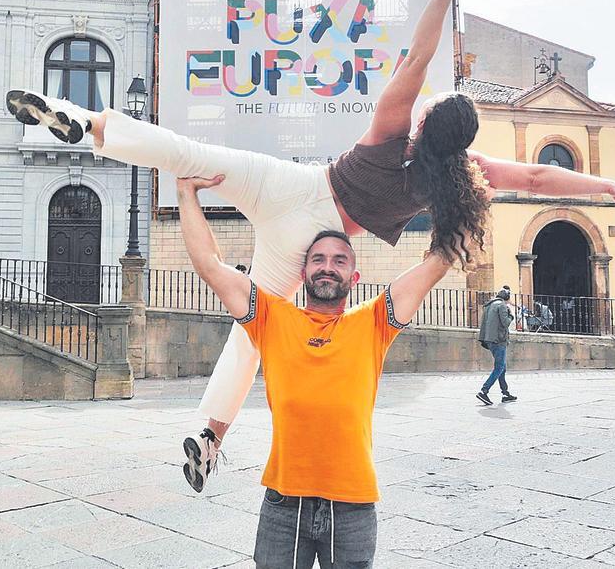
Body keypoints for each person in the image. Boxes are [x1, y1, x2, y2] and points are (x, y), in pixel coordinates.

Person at [6, 0, 615, 492]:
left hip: (289, 186)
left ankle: (86, 122)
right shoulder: (458, 178)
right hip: (307, 237)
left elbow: (421, 51)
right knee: (251, 330)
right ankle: (209, 436)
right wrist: (611, 187)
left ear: (425, 120)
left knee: (187, 151)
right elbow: (539, 175)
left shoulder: (388, 126)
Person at [174, 173, 453, 567]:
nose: (327, 267)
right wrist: (186, 192)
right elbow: (209, 264)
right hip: (283, 503)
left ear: (353, 278)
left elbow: (437, 263)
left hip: (353, 503)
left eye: (339, 261)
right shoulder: (271, 317)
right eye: (317, 259)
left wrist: (453, 195)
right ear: (303, 273)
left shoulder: (374, 322)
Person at [476, 286, 515, 405]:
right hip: (499, 340)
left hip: (489, 339)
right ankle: (484, 391)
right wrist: (511, 315)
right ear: (506, 297)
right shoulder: (502, 305)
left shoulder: (489, 305)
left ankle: (505, 393)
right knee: (499, 367)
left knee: (502, 368)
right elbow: (505, 323)